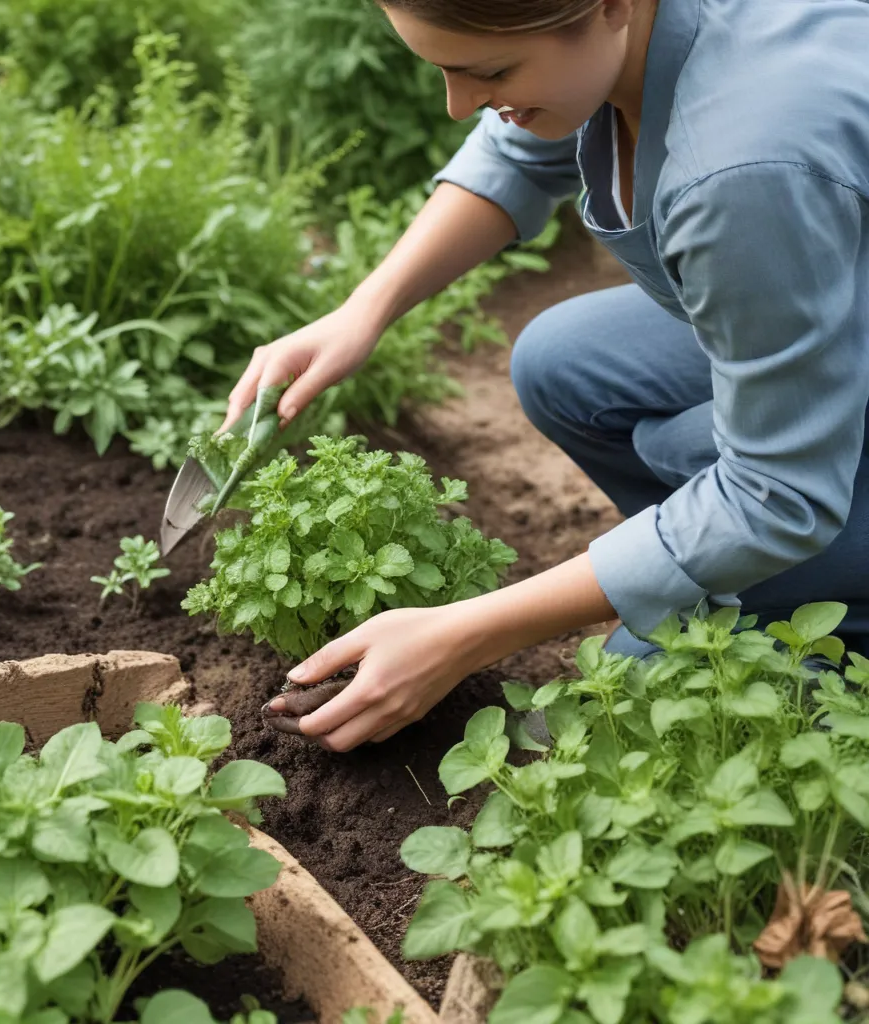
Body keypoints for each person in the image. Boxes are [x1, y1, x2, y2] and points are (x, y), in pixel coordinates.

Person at [223, 0, 869, 753]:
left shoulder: (738, 166)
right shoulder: (643, 36)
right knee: (564, 364)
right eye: (442, 69)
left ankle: (830, 611)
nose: (460, 105)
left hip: (802, 411)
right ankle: (739, 566)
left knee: (623, 685)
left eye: (488, 72)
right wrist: (363, 311)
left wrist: (467, 632)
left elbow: (776, 492)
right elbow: (517, 153)